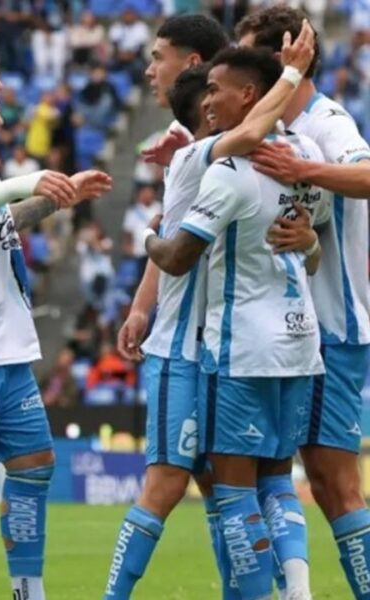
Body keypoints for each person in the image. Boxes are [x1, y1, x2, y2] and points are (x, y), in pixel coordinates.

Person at [105, 24, 319, 598]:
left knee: (227, 491)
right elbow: (250, 129)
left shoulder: (227, 157)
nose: (149, 69)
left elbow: (252, 136)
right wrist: (291, 74)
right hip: (186, 349)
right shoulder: (202, 157)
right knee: (172, 485)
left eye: (158, 58)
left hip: (224, 348)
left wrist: (308, 240)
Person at [0, 35, 112, 600]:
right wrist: (23, 183)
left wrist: (55, 197)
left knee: (35, 464)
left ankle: (29, 594)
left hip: (6, 344)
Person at [235, 6, 370, 599]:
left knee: (334, 483)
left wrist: (302, 169)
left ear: (281, 57)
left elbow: (367, 174)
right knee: (265, 474)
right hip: (286, 331)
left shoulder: (327, 120)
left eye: (247, 54)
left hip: (332, 326)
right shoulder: (268, 126)